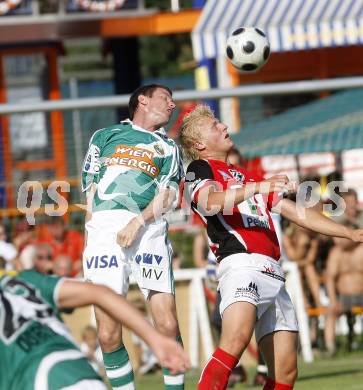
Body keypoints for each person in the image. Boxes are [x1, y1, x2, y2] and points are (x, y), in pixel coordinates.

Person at [179, 104, 363, 390]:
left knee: (286, 371)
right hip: (242, 265)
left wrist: (348, 233)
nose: (224, 127)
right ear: (199, 143)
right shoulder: (199, 168)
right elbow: (208, 202)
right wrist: (259, 187)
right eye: (215, 125)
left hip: (273, 272)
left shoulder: (246, 175)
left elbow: (297, 212)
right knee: (235, 341)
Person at [82, 84, 185, 389]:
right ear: (143, 100)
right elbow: (90, 190)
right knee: (107, 332)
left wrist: (137, 221)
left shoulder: (168, 148)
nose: (172, 104)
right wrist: (95, 235)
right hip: (104, 233)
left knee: (167, 324)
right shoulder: (104, 136)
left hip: (148, 229)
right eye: (166, 98)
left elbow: (168, 195)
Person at [0, 270, 189, 390]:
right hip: (82, 372)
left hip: (36, 381)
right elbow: (99, 292)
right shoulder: (23, 281)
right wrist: (155, 339)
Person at [324, 221, 363, 355]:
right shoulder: (336, 253)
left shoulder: (361, 250)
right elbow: (329, 278)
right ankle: (331, 349)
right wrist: (333, 300)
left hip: (362, 295)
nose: (339, 240)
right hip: (343, 298)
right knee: (330, 313)